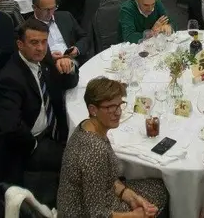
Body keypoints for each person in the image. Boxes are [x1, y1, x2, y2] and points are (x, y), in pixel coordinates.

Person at [57, 77, 168, 217]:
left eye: (119, 104)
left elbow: (105, 178)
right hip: (83, 213)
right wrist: (136, 215)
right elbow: (97, 214)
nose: (118, 112)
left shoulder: (87, 126)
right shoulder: (94, 151)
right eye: (110, 107)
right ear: (93, 109)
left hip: (98, 200)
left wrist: (130, 196)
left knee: (157, 188)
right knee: (161, 191)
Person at [0, 18, 78, 192]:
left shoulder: (43, 59)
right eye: (34, 42)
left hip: (54, 131)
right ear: (20, 44)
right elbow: (9, 126)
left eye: (44, 42)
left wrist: (68, 66)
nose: (40, 47)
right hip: (32, 142)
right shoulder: (11, 78)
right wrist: (34, 147)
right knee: (80, 161)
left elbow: (69, 83)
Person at [32, 0, 91, 66]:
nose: (50, 13)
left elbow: (84, 37)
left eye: (53, 8)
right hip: (49, 68)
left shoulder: (65, 16)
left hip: (73, 61)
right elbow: (28, 56)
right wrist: (49, 58)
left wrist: (77, 49)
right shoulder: (27, 29)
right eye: (46, 10)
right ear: (34, 8)